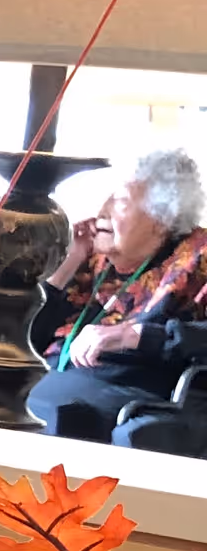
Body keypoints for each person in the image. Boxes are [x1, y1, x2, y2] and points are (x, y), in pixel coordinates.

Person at [25, 148, 207, 439]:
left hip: (125, 390)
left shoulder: (198, 260)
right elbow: (26, 338)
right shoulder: (91, 262)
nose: (102, 211)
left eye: (120, 200)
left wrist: (133, 335)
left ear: (161, 218)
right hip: (51, 378)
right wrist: (68, 264)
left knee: (39, 410)